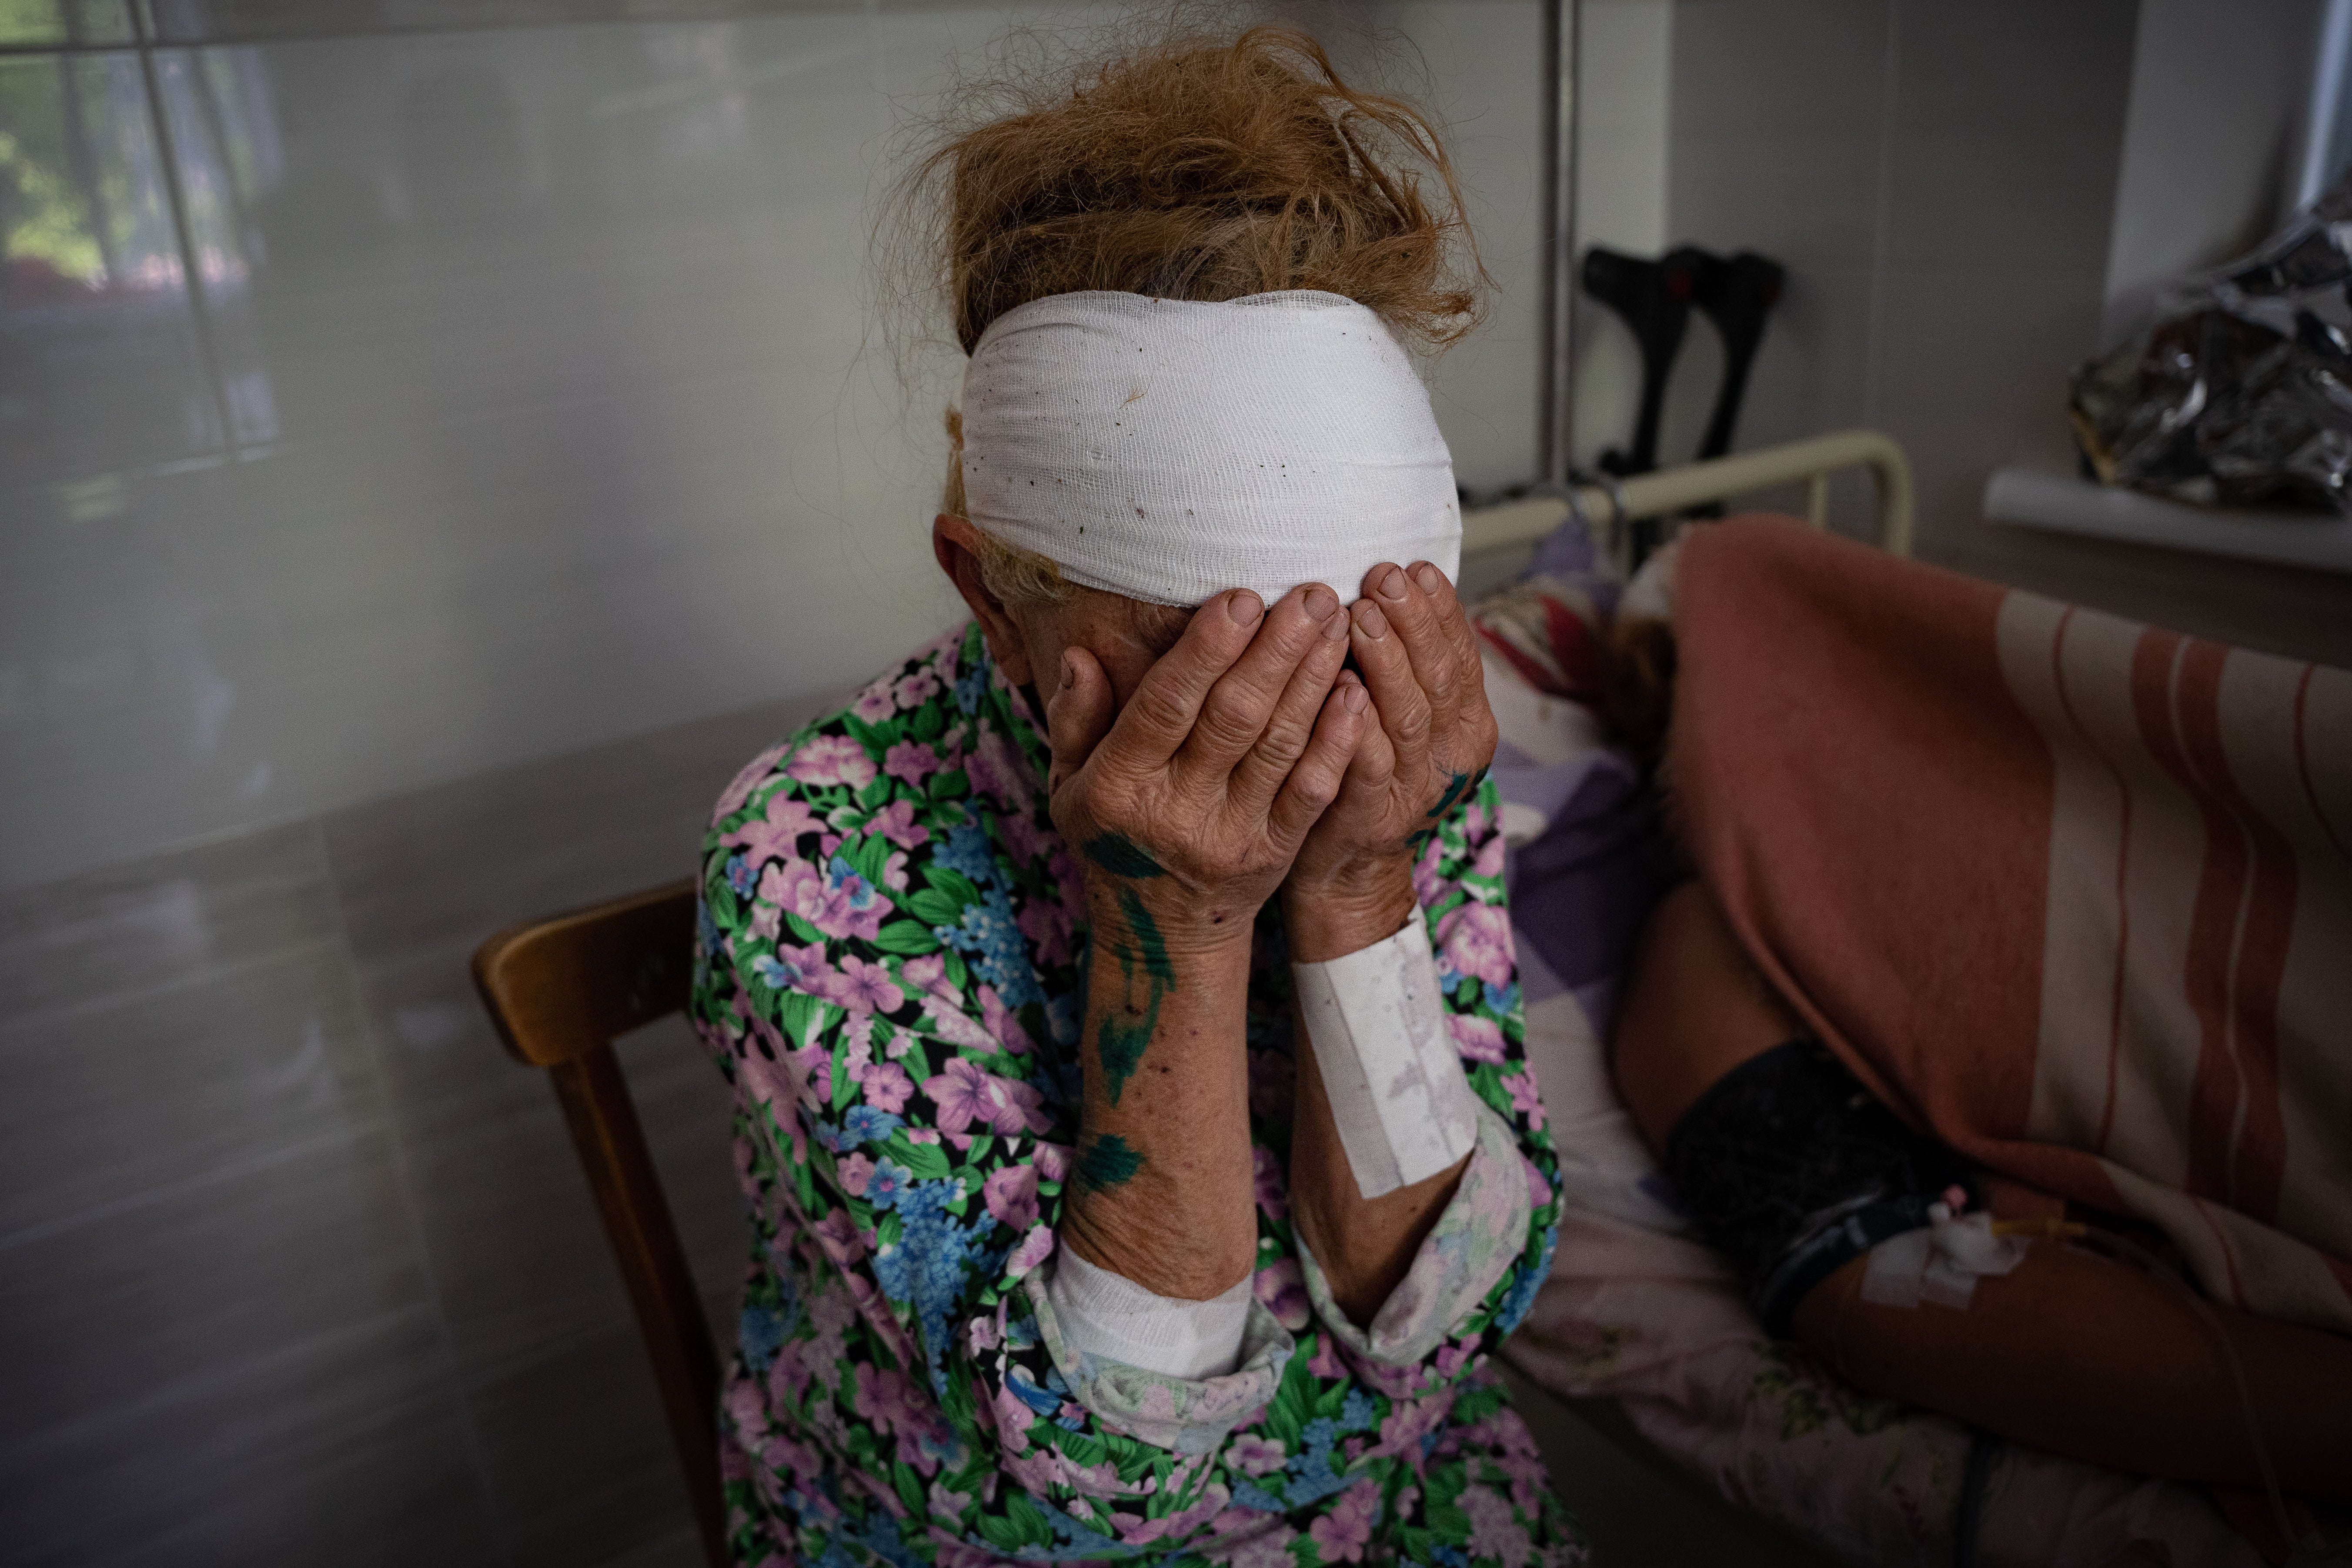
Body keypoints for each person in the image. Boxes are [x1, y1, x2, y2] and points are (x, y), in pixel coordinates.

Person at [689, 26, 1577, 1568]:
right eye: (1207, 666)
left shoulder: (1402, 753)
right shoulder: (806, 855)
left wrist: (1366, 892)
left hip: (1391, 1513)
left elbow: (1439, 1325)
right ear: (987, 590)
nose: (1296, 731)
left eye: (1353, 645)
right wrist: (1176, 922)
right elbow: (1103, 1475)